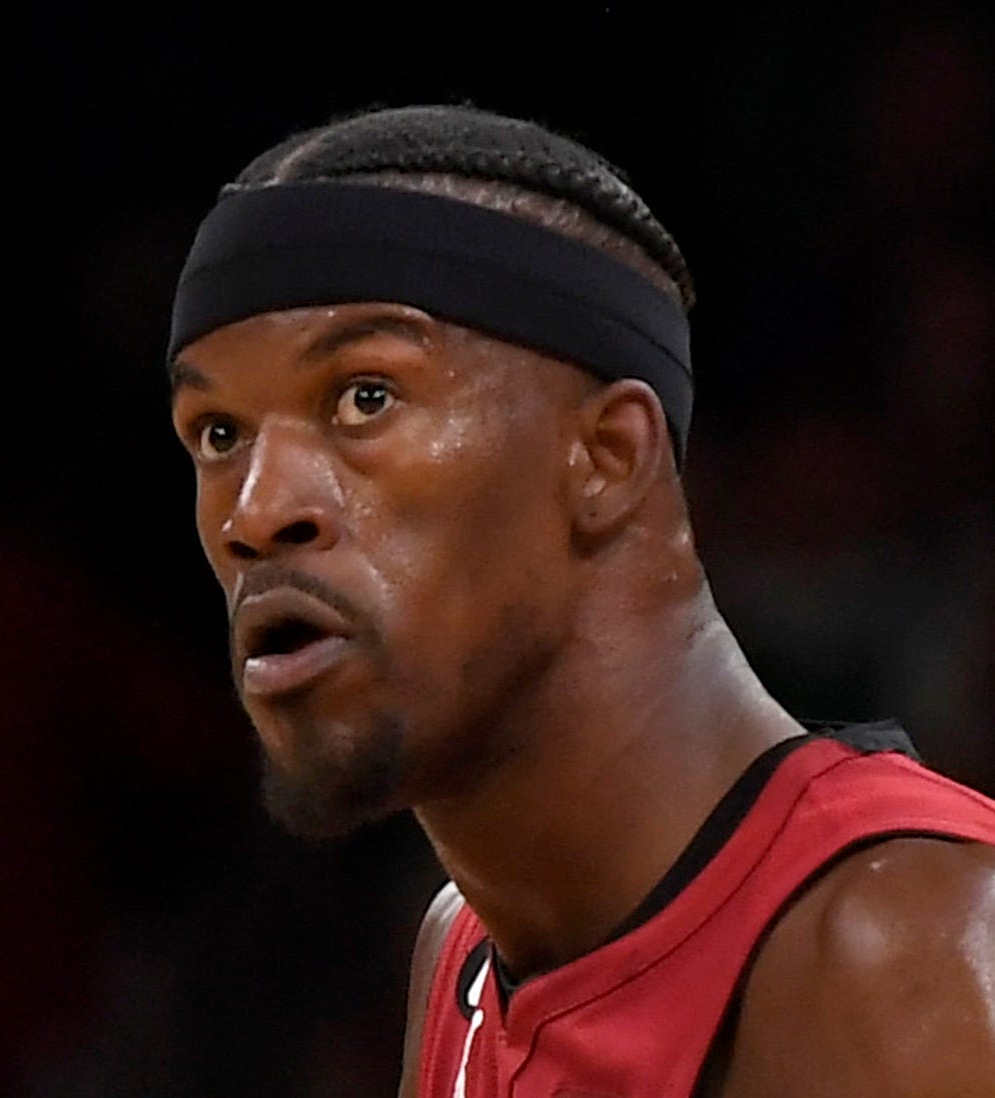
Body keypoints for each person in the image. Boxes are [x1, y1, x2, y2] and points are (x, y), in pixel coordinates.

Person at [166, 105, 995, 1097]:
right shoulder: (464, 960)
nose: (255, 511)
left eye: (365, 397)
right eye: (218, 434)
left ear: (607, 457)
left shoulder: (908, 950)